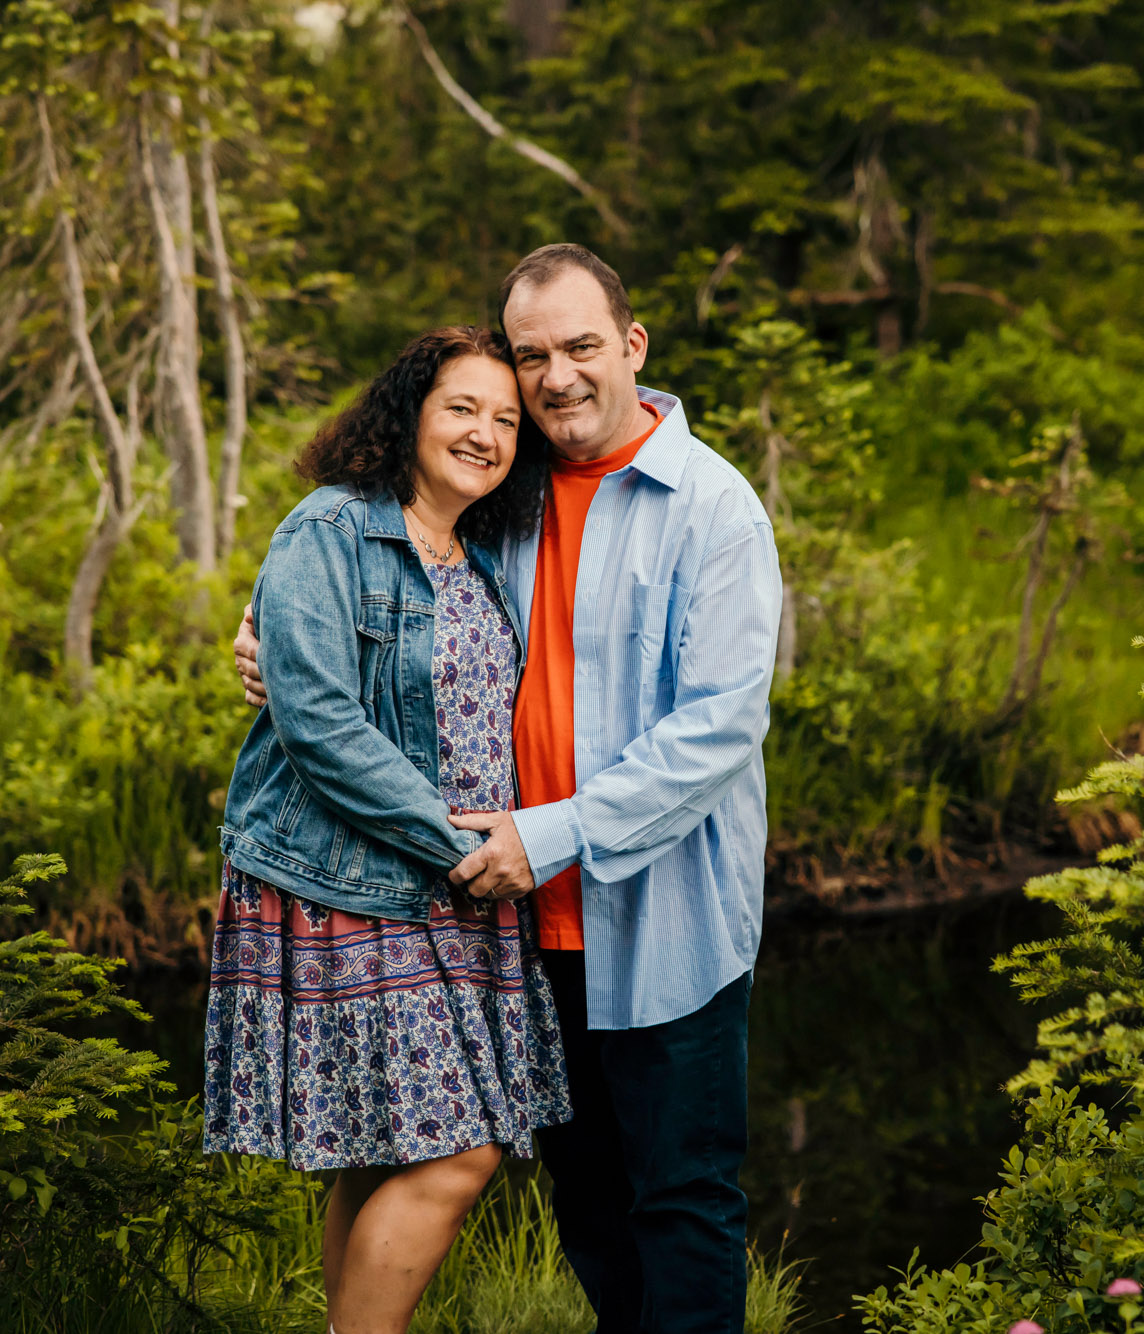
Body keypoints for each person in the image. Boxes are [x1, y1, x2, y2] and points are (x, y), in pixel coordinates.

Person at [238, 245, 784, 1334]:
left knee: (681, 1201)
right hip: (516, 919)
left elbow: (718, 722)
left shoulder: (711, 508)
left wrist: (551, 833)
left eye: (581, 346)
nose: (555, 376)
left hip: (659, 917)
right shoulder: (506, 497)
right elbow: (396, 598)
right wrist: (277, 643)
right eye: (532, 354)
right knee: (586, 1201)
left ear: (630, 346)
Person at [203, 326, 571, 1334]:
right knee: (461, 1149)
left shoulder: (492, 548)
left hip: (459, 889)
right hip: (352, 879)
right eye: (461, 407)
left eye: (504, 418)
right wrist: (456, 840)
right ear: (406, 411)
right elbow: (318, 719)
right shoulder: (329, 525)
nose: (485, 433)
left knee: (386, 1145)